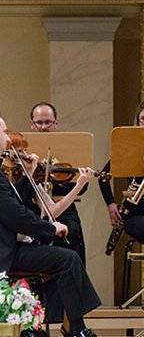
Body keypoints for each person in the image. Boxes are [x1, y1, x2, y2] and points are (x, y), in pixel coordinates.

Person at [0, 116, 100, 337]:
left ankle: (73, 325)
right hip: (6, 251)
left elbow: (20, 207)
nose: (7, 137)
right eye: (4, 132)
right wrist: (51, 229)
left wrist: (30, 175)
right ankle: (75, 327)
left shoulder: (7, 176)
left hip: (16, 244)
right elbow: (17, 216)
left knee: (68, 255)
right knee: (67, 259)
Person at [98, 100, 144, 307]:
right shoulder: (129, 146)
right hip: (135, 212)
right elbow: (103, 176)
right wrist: (111, 204)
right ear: (137, 122)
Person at [28, 102, 87, 264]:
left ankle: (73, 283)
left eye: (48, 122)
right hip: (33, 209)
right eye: (39, 123)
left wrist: (61, 178)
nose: (43, 127)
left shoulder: (69, 147)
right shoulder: (26, 149)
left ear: (56, 123)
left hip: (65, 207)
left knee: (73, 233)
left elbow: (82, 188)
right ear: (31, 125)